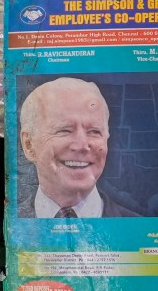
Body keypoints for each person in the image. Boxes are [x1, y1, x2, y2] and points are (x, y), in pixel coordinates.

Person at [19, 76, 115, 217]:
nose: (81, 145)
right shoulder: (10, 224)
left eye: (94, 131)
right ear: (28, 144)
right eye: (64, 130)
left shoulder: (140, 230)